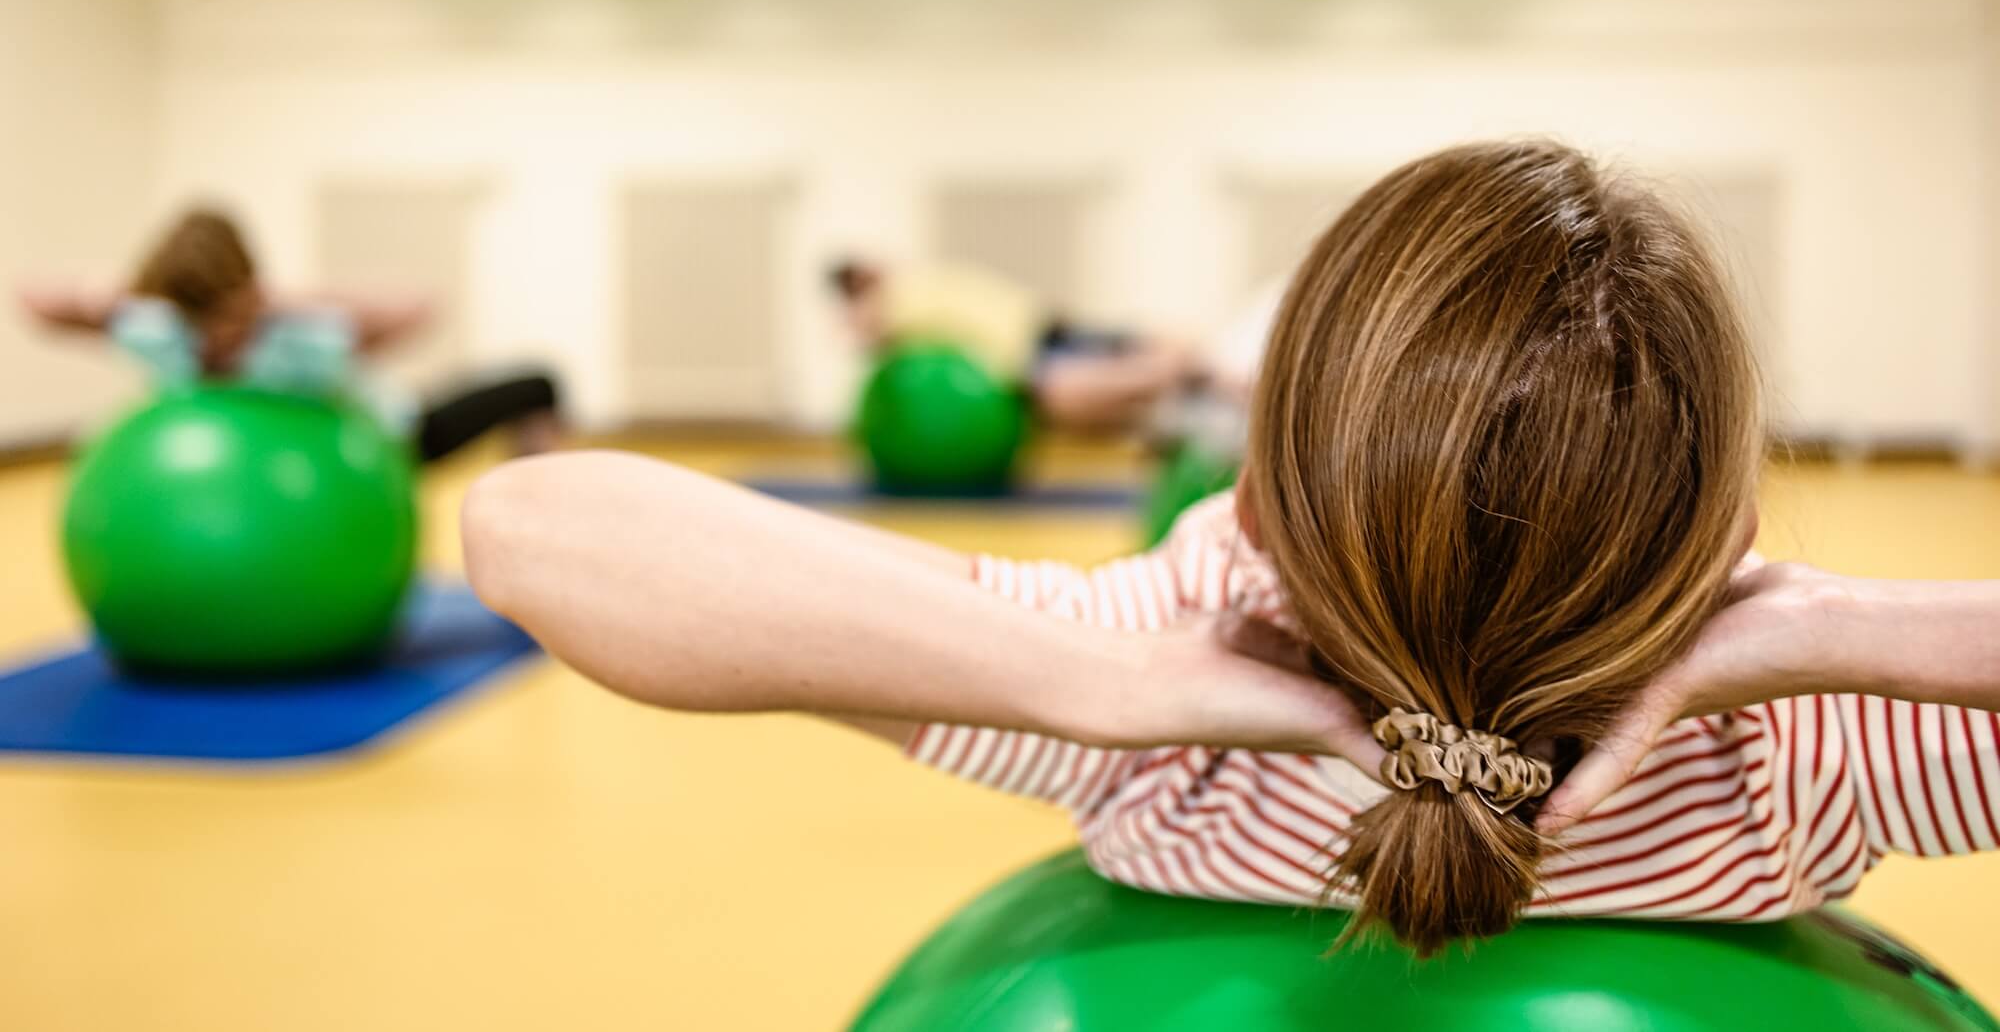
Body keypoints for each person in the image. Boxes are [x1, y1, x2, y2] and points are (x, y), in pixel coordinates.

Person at [463, 141, 2000, 956]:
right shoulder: (1799, 751)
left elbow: (528, 527)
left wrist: (1098, 685)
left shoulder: (1173, 689)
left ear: (1251, 513)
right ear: (1724, 537)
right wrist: (1831, 631)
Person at [22, 207, 563, 462]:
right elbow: (35, 300)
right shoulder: (158, 329)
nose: (216, 337)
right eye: (199, 319)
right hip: (250, 469)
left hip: (387, 442)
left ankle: (536, 506)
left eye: (228, 316)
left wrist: (281, 299)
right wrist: (138, 291)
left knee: (538, 383)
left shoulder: (294, 332)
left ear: (249, 294)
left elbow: (422, 305)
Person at [827, 257, 1201, 432]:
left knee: (1066, 390)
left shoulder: (904, 292)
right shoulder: (905, 289)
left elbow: (861, 335)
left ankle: (1175, 366)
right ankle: (1176, 367)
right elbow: (863, 334)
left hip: (1022, 338)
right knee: (1088, 376)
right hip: (1028, 327)